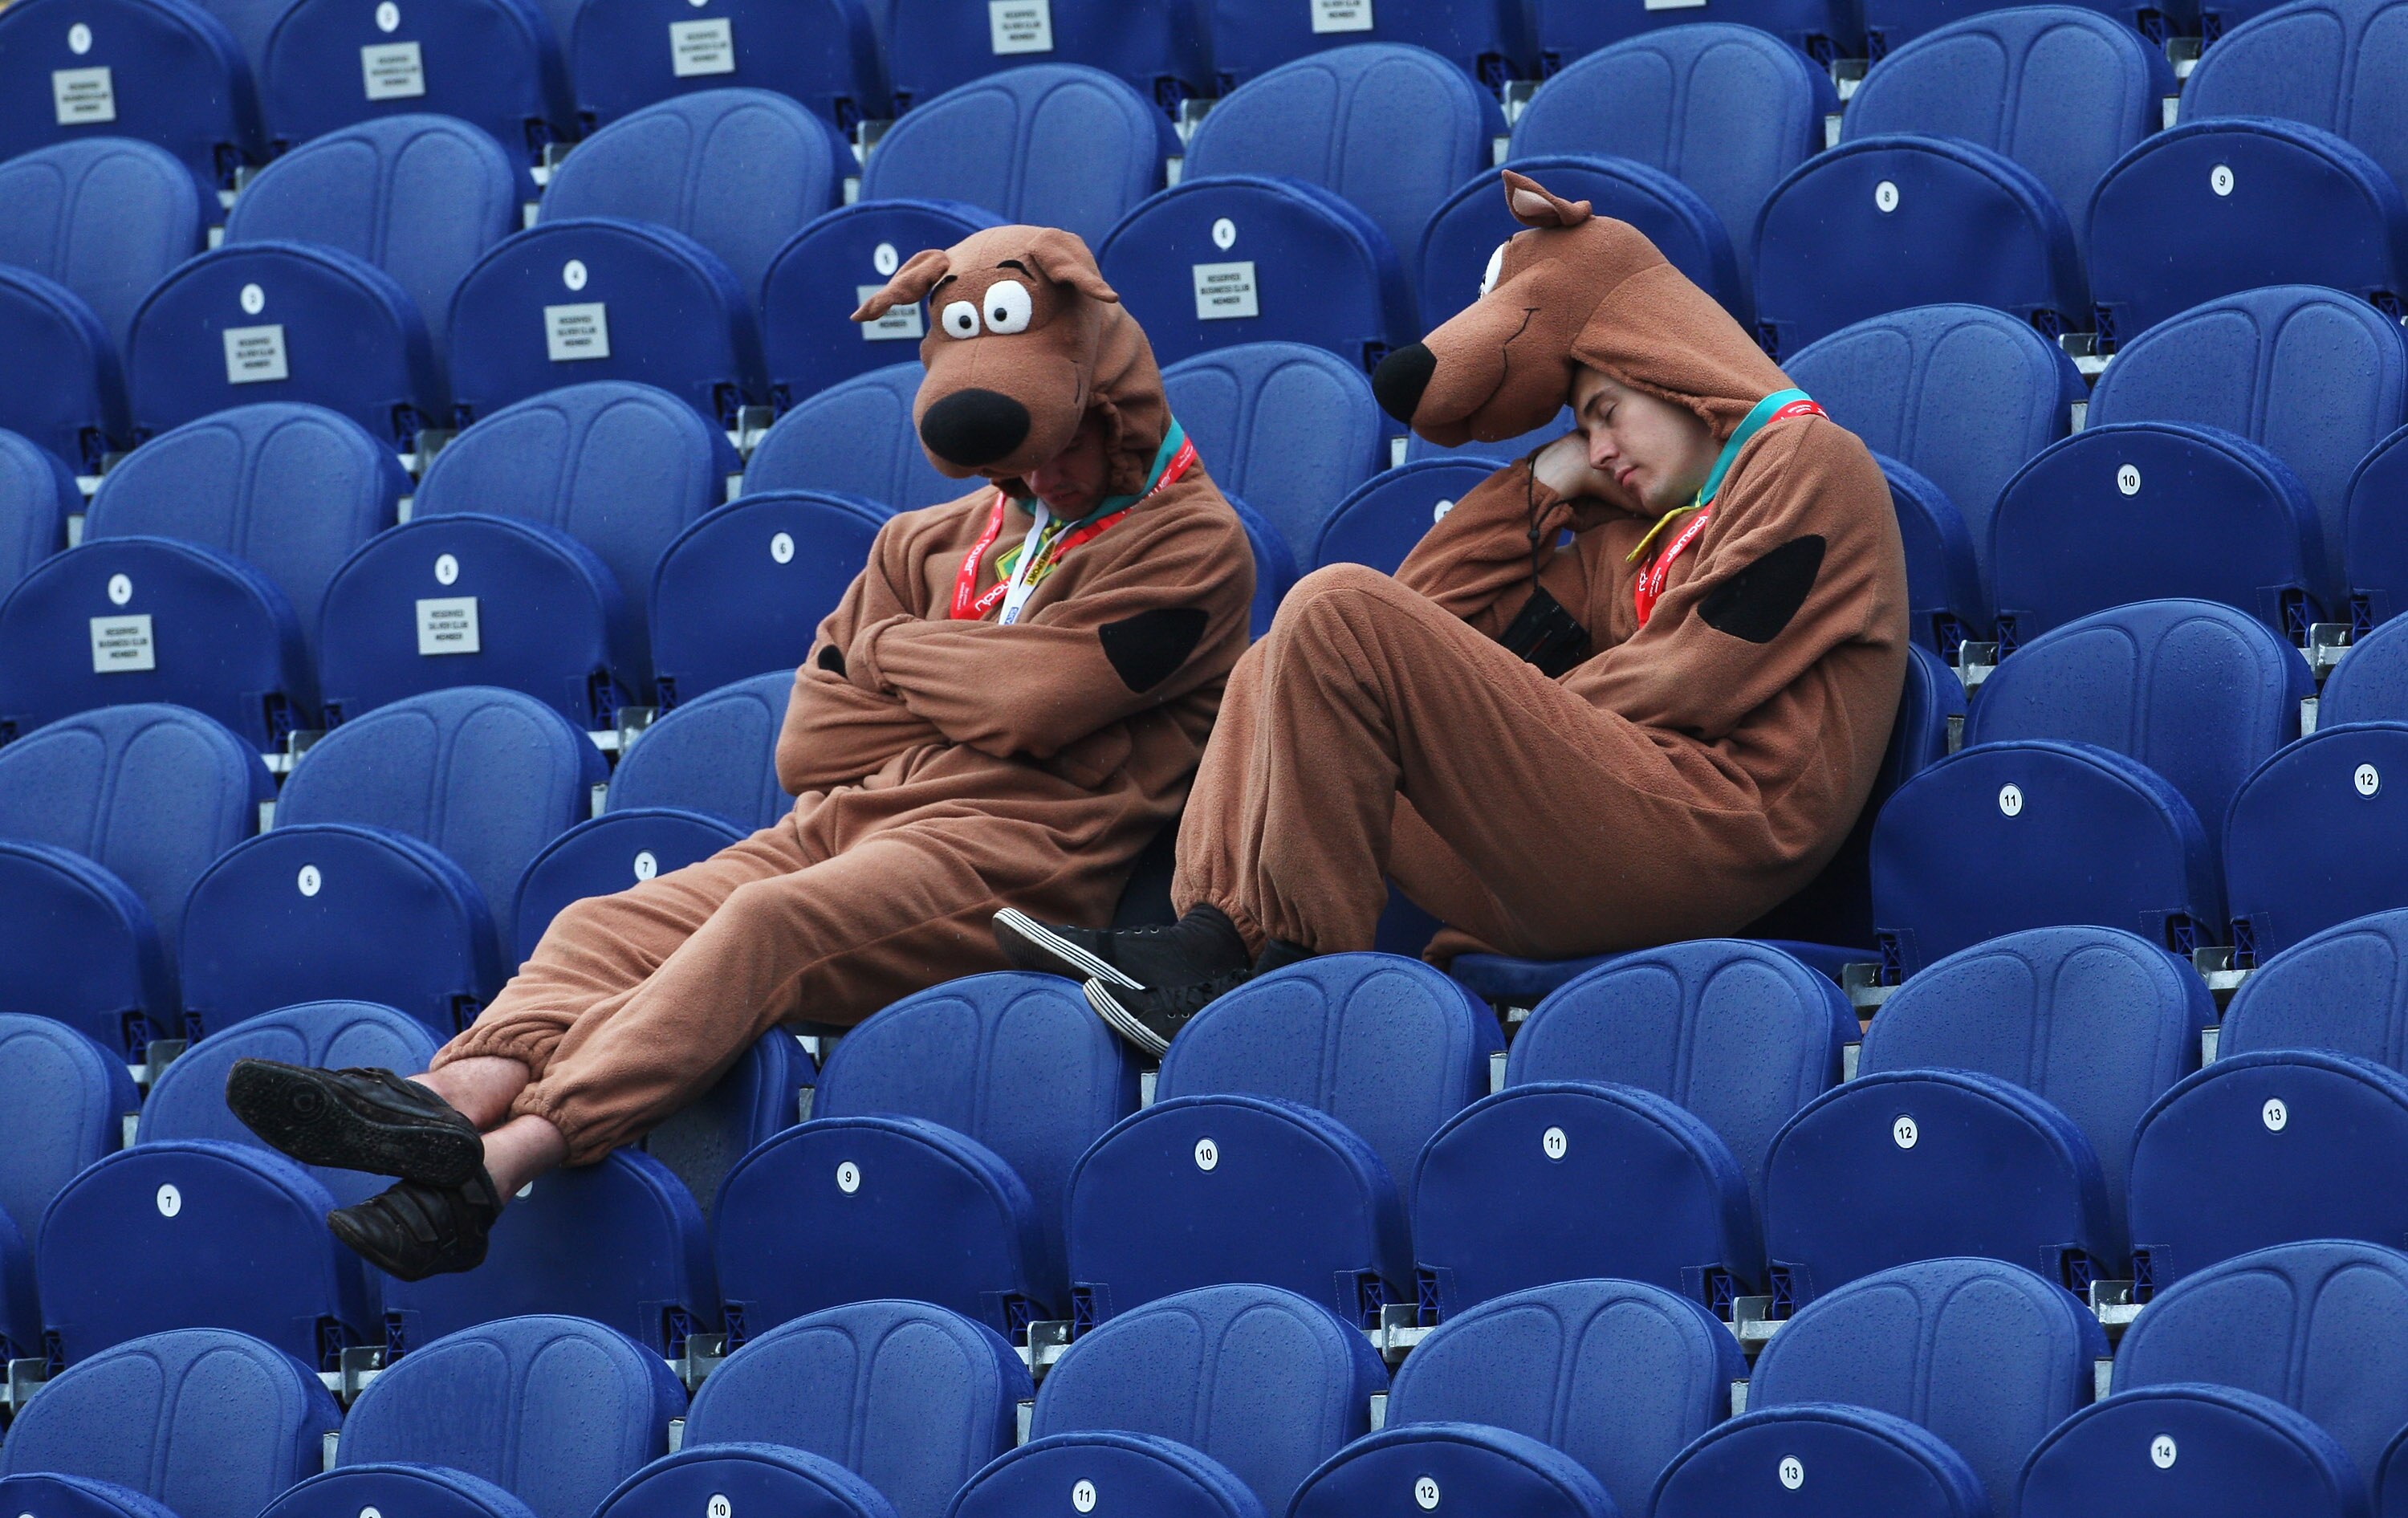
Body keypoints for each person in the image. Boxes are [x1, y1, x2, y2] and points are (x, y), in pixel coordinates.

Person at [222, 226, 1255, 1278]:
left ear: (1110, 405)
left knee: (765, 922)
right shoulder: (926, 541)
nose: (1044, 469)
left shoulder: (1191, 541)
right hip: (849, 819)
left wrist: (890, 652)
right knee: (601, 919)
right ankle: (441, 1104)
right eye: (1017, 455)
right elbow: (818, 738)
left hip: (1018, 864)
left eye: (1067, 442)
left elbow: (1036, 704)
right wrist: (960, 685)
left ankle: (499, 1163)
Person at [997, 171, 1910, 1054]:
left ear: (1666, 366)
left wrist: (1510, 714)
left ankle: (1285, 983)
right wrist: (1540, 484)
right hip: (1609, 829)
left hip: (1722, 824)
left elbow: (1697, 675)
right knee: (1280, 661)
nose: (1598, 448)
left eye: (1604, 412)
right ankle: (1211, 934)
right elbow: (1417, 622)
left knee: (1338, 606)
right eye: (1581, 429)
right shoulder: (1618, 541)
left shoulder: (1807, 462)